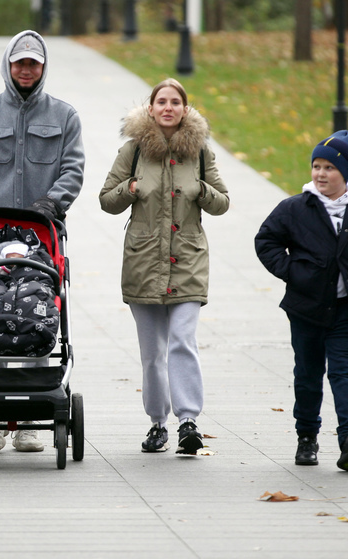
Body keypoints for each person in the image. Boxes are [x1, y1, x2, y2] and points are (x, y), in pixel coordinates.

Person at [0, 30, 85, 452]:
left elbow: (73, 168)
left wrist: (54, 202)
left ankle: (30, 416)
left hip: (39, 234)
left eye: (34, 63)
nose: (26, 70)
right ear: (8, 65)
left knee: (36, 311)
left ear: (43, 68)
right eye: (20, 63)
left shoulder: (64, 117)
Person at [99, 78, 230, 455]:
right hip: (143, 261)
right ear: (151, 108)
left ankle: (188, 420)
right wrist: (131, 190)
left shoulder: (201, 152)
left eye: (175, 102)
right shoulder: (134, 150)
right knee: (152, 352)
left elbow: (221, 202)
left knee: (183, 342)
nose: (168, 108)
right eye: (162, 102)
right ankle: (157, 423)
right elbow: (107, 200)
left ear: (185, 109)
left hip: (188, 260)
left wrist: (200, 191)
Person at [255, 130, 348, 471]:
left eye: (329, 167)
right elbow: (266, 240)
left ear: (345, 172)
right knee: (308, 374)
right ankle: (307, 437)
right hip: (307, 310)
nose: (320, 173)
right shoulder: (295, 208)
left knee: (346, 372)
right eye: (316, 166)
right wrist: (292, 272)